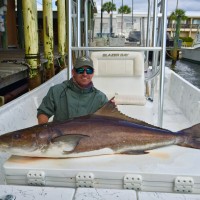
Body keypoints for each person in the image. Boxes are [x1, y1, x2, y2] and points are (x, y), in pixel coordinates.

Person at [37, 56, 108, 124]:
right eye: (80, 70)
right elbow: (43, 112)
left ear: (93, 73)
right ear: (73, 72)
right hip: (62, 135)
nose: (85, 74)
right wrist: (44, 130)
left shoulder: (101, 98)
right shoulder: (56, 91)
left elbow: (109, 120)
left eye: (89, 71)